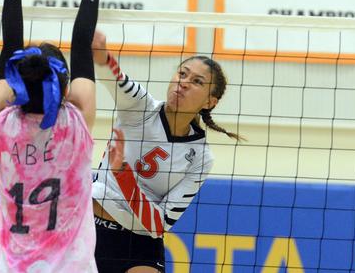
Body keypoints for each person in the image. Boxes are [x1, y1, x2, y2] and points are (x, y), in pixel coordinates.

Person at [0, 0, 124, 273]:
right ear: (65, 90)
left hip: (12, 267)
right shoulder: (75, 123)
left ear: (14, 83)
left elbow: (9, 45)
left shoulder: (2, 126)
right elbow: (83, 45)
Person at [91, 30, 242, 273]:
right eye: (182, 74)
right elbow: (115, 78)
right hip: (91, 229)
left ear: (209, 102)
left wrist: (122, 173)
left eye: (197, 82)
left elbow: (158, 225)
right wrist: (102, 55)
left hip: (140, 244)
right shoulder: (139, 107)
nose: (183, 83)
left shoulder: (201, 159)